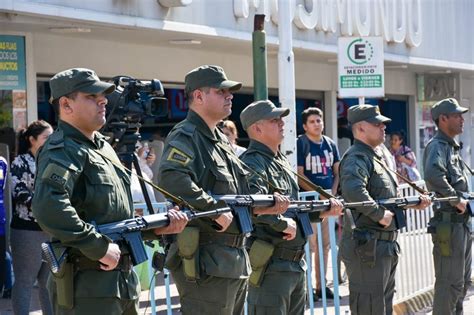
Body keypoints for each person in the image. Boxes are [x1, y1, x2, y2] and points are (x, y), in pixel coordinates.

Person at [31, 68, 188, 314]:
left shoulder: (103, 147)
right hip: (88, 286)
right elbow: (49, 207)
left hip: (121, 283)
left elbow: (114, 217)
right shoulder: (63, 148)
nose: (103, 100)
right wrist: (99, 247)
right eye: (91, 96)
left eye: (102, 95)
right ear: (66, 104)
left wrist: (155, 229)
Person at [157, 65, 286, 314]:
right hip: (207, 260)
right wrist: (213, 209)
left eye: (229, 91)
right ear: (198, 96)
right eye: (221, 91)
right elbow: (172, 179)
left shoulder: (219, 140)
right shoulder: (187, 135)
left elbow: (243, 187)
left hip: (231, 259)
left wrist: (270, 201)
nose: (230, 96)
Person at [239, 100, 343, 314]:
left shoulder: (281, 162)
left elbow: (294, 207)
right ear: (257, 128)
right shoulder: (252, 162)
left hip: (294, 263)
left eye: (281, 119)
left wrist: (323, 210)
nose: (281, 123)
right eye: (274, 120)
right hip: (272, 265)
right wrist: (281, 223)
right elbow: (252, 204)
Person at [339, 104, 431, 315]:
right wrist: (379, 214)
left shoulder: (376, 157)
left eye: (383, 124)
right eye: (377, 124)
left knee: (382, 308)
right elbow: (354, 192)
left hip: (383, 245)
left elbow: (387, 199)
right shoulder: (357, 157)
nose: (383, 128)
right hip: (367, 247)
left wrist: (413, 202)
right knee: (370, 309)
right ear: (361, 128)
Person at [423, 98, 471, 315]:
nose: (462, 119)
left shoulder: (451, 147)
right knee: (449, 285)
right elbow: (433, 175)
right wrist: (455, 199)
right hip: (448, 226)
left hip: (461, 225)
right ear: (443, 119)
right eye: (457, 115)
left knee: (459, 285)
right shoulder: (437, 146)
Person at [10, 120, 54, 315]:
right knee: (25, 281)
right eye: (46, 137)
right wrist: (41, 204)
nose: (50, 141)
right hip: (27, 230)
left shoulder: (53, 160)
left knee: (49, 281)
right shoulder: (20, 162)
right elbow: (17, 190)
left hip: (51, 229)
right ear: (32, 139)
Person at [296, 107, 340, 301]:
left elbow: (336, 170)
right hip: (311, 203)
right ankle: (307, 289)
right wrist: (321, 195)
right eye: (312, 121)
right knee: (310, 245)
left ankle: (321, 286)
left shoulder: (330, 144)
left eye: (319, 120)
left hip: (328, 203)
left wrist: (333, 192)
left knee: (325, 246)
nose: (317, 124)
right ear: (305, 126)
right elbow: (299, 173)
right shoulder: (301, 143)